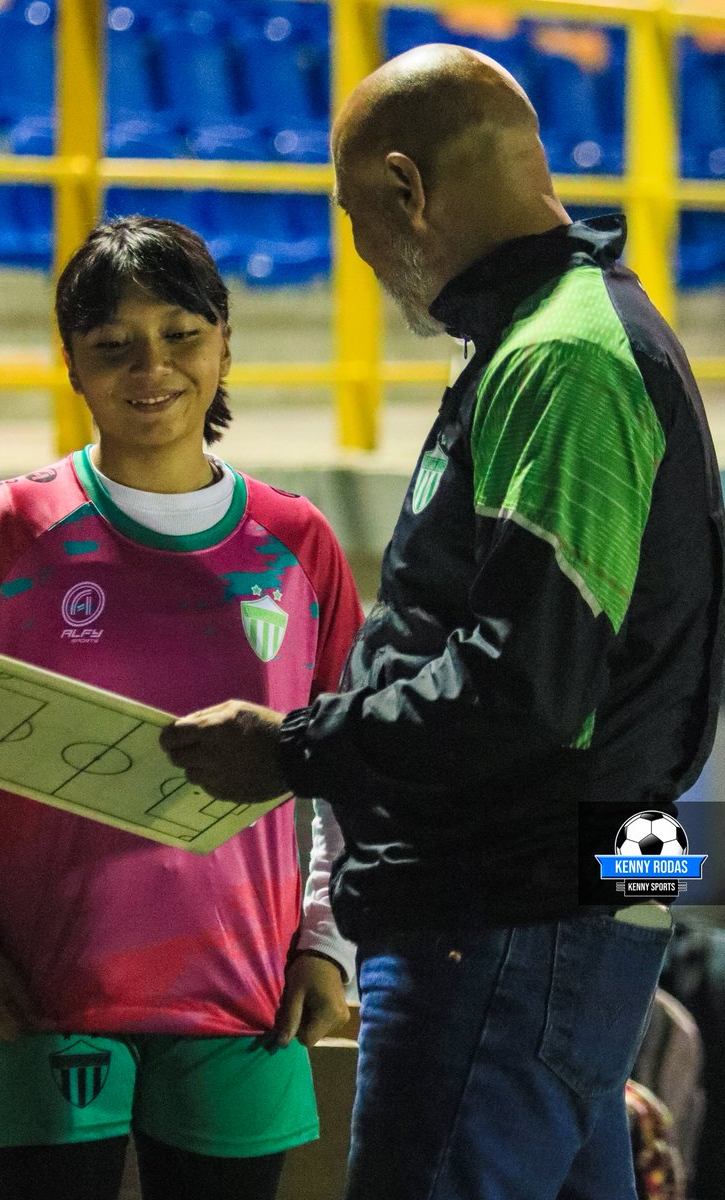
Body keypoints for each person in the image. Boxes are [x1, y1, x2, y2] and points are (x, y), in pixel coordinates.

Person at [161, 45, 725, 1200]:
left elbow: (523, 686)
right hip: (552, 911)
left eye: (358, 217)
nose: (364, 257)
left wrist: (294, 749)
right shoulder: (549, 340)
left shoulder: (562, 359)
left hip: (505, 922)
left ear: (408, 191)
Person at [0, 216, 363, 1200]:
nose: (153, 367)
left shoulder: (299, 543)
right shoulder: (8, 529)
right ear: (74, 366)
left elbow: (357, 760)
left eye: (181, 333)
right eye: (114, 345)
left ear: (226, 342)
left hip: (248, 1006)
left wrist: (327, 940)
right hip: (40, 1001)